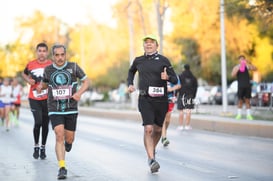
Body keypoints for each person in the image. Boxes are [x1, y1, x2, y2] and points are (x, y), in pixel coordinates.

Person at [127, 34, 178, 173]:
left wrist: (168, 77)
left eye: (151, 42)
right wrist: (130, 84)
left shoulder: (164, 60)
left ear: (157, 45)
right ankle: (151, 159)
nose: (148, 45)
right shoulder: (138, 60)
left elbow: (175, 79)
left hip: (161, 100)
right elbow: (131, 72)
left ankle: (152, 149)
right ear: (143, 45)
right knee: (148, 129)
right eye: (146, 42)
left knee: (157, 130)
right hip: (145, 99)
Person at [37, 44, 89, 179]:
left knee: (69, 138)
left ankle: (69, 143)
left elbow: (86, 81)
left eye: (62, 55)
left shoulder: (74, 67)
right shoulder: (48, 70)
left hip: (71, 108)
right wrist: (39, 87)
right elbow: (44, 83)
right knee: (59, 134)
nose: (59, 58)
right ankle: (62, 167)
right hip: (54, 108)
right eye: (57, 55)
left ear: (65, 55)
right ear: (53, 56)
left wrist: (79, 93)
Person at [22, 42, 52, 159]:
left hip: (48, 98)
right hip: (34, 98)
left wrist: (46, 85)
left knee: (45, 124)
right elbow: (24, 74)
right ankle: (36, 145)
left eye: (44, 51)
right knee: (38, 122)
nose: (42, 53)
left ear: (47, 52)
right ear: (37, 52)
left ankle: (43, 147)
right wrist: (28, 80)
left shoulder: (51, 64)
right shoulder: (31, 64)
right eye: (40, 51)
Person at [231, 55, 257, 120]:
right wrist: (238, 68)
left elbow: (255, 69)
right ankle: (239, 115)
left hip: (247, 86)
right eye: (241, 59)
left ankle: (249, 115)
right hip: (240, 87)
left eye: (243, 59)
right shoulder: (236, 67)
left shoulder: (247, 67)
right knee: (240, 101)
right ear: (239, 60)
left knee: (248, 101)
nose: (242, 60)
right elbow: (232, 75)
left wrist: (250, 62)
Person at [177, 64, 198, 130]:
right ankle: (187, 125)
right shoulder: (193, 77)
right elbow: (195, 87)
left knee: (181, 111)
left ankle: (180, 126)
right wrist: (193, 95)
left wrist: (177, 93)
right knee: (188, 110)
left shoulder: (180, 76)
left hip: (181, 95)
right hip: (190, 95)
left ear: (184, 68)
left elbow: (178, 86)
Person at [161, 77, 181, 147]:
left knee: (168, 119)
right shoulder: (159, 72)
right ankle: (164, 137)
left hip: (170, 98)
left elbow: (179, 85)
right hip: (161, 98)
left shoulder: (173, 74)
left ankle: (164, 132)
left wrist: (171, 89)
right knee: (163, 118)